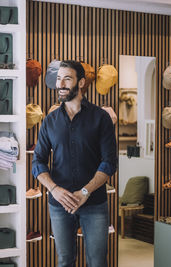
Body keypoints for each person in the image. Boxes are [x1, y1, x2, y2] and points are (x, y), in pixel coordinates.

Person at [32, 60, 117, 267]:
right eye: (59, 78)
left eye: (67, 79)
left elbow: (109, 162)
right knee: (65, 261)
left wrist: (85, 192)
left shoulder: (101, 118)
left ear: (80, 83)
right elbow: (38, 162)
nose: (60, 84)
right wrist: (54, 190)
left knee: (97, 262)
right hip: (59, 204)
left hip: (94, 203)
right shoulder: (49, 121)